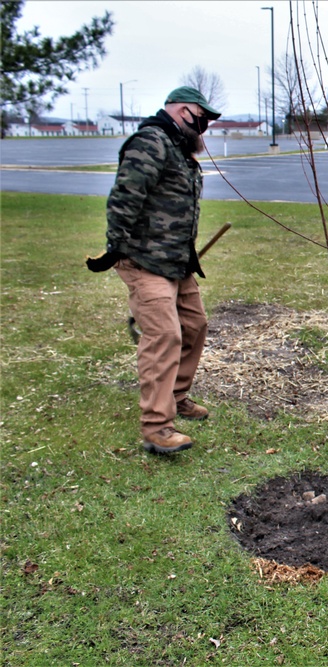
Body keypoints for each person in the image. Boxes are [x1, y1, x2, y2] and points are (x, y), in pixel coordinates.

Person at [86, 86, 221, 454]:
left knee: (194, 326)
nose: (205, 125)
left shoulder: (177, 146)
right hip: (145, 260)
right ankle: (157, 427)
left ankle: (176, 397)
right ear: (180, 110)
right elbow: (125, 197)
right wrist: (117, 247)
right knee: (164, 336)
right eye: (201, 117)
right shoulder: (152, 141)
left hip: (177, 261)